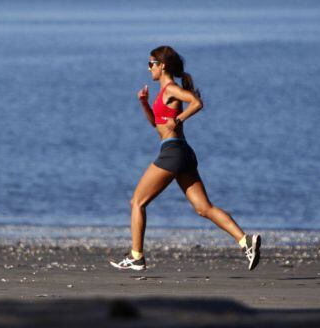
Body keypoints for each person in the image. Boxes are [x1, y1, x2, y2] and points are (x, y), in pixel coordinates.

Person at [110, 45, 262, 271]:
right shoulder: (164, 93)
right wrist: (144, 103)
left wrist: (179, 120)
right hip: (182, 153)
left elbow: (196, 103)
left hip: (172, 152)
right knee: (203, 208)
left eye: (151, 63)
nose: (148, 67)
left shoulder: (171, 88)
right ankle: (245, 241)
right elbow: (157, 124)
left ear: (162, 66)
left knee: (137, 202)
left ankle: (136, 256)